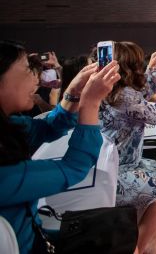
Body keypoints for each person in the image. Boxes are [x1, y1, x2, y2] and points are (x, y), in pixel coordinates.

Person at [0, 41, 120, 254]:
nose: (37, 77)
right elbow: (75, 167)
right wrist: (90, 103)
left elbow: (49, 127)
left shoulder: (10, 125)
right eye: (28, 69)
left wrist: (73, 91)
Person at [99, 42, 156, 254]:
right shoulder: (125, 96)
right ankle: (145, 244)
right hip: (117, 173)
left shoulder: (108, 90)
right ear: (129, 66)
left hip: (107, 167)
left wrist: (151, 70)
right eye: (138, 62)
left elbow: (142, 93)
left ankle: (151, 242)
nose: (141, 65)